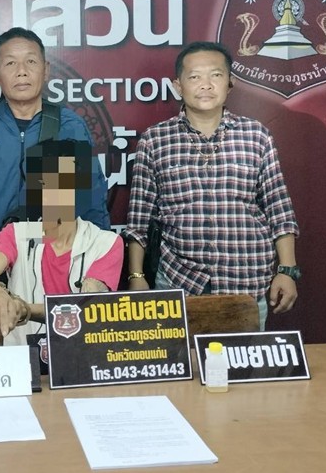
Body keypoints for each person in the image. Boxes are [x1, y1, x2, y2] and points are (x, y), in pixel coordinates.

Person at [123, 41, 299, 329]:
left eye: (215, 75)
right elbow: (139, 219)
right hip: (178, 282)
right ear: (178, 86)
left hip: (246, 284)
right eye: (194, 77)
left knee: (244, 358)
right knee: (179, 359)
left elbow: (279, 211)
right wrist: (136, 276)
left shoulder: (256, 136)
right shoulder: (155, 140)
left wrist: (287, 270)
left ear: (230, 83)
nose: (205, 84)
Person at [0, 27, 110, 304]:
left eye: (31, 61)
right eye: (10, 63)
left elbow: (92, 199)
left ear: (46, 70)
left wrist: (98, 266)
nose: (22, 72)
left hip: (61, 266)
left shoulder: (69, 127)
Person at [0, 139, 123, 345]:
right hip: (23, 356)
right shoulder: (19, 233)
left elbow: (85, 309)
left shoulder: (105, 243)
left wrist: (24, 309)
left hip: (82, 356)